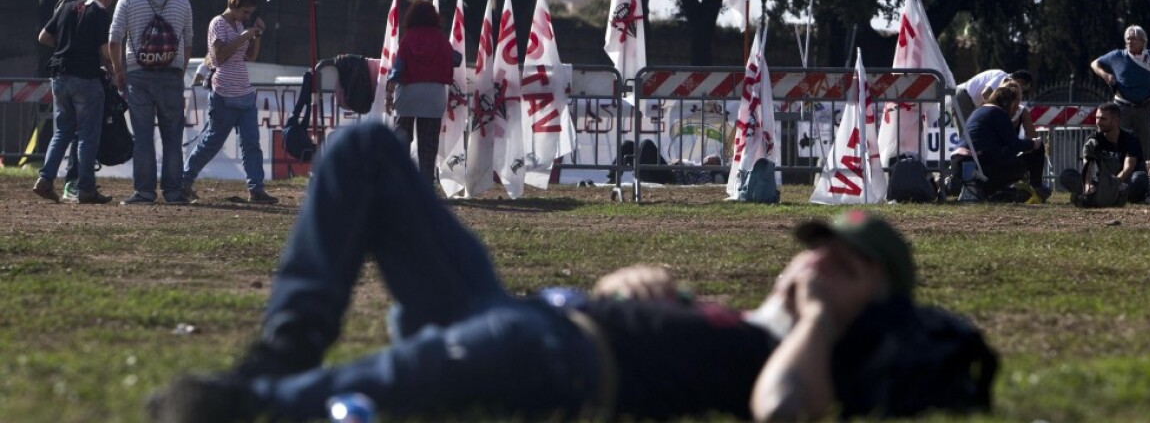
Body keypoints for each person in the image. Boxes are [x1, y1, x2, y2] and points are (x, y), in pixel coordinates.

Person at [147, 123, 997, 423]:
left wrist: (820, 316)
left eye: (838, 262)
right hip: (531, 315)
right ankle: (288, 352)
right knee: (364, 148)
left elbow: (779, 412)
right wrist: (614, 291)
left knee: (423, 369)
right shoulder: (741, 320)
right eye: (815, 246)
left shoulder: (819, 360)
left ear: (865, 290)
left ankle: (256, 407)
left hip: (557, 359)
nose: (810, 262)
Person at [108, 0, 195, 205]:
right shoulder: (181, 0)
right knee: (172, 136)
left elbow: (114, 39)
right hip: (172, 74)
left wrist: (118, 71)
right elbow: (188, 41)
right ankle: (173, 192)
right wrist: (179, 68)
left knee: (144, 136)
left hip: (138, 74)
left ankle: (145, 192)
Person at [180, 0, 277, 204]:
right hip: (223, 93)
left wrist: (256, 36)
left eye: (249, 13)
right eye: (244, 11)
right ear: (233, 5)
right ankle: (184, 181)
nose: (247, 16)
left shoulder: (240, 25)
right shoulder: (218, 23)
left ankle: (256, 189)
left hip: (244, 92)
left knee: (251, 143)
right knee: (212, 142)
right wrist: (243, 36)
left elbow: (250, 56)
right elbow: (218, 56)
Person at [32, 0, 117, 205]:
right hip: (86, 78)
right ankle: (86, 189)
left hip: (59, 76)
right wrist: (115, 65)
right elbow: (104, 51)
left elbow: (44, 37)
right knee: (87, 136)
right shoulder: (99, 12)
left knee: (62, 132)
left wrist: (66, 45)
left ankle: (44, 179)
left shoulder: (67, 7)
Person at [51, 0, 107, 201]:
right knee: (79, 133)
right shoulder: (71, 0)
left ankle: (58, 179)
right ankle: (75, 182)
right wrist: (72, 50)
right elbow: (51, 33)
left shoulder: (89, 1)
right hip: (78, 72)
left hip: (68, 73)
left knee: (71, 132)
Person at [387, 0, 458, 182]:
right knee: (428, 145)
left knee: (402, 141)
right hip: (433, 96)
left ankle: (400, 182)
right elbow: (455, 60)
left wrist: (389, 92)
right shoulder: (440, 38)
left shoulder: (408, 37)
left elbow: (398, 69)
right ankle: (426, 185)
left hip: (408, 95)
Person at [950, 83, 1046, 200]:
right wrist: (1034, 143)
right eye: (1016, 107)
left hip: (959, 162)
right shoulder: (999, 113)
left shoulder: (979, 111)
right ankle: (1037, 188)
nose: (1016, 111)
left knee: (1005, 155)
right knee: (1037, 148)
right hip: (978, 164)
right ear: (1009, 103)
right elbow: (1015, 145)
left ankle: (979, 190)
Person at [1091, 25, 1150, 160]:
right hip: (1122, 108)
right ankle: (1119, 177)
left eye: (1133, 39)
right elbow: (1095, 64)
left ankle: (1142, 177)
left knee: (1143, 147)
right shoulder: (1117, 56)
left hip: (1144, 107)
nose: (1129, 42)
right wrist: (1106, 76)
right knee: (1119, 143)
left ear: (1143, 41)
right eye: (1127, 39)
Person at [1058, 102, 1148, 207]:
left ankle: (1098, 197)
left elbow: (1128, 168)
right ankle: (1096, 195)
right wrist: (1087, 185)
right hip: (1101, 183)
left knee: (1139, 178)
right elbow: (1087, 166)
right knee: (1066, 175)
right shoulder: (1093, 139)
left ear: (1115, 120)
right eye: (1097, 118)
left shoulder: (1130, 139)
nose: (1098, 122)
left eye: (1103, 119)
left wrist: (1114, 185)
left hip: (1123, 182)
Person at [953, 68, 1032, 129]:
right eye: (1022, 88)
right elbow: (985, 93)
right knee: (966, 135)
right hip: (964, 97)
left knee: (972, 132)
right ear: (1020, 82)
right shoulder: (1002, 76)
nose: (1020, 91)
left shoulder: (1006, 84)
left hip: (970, 101)